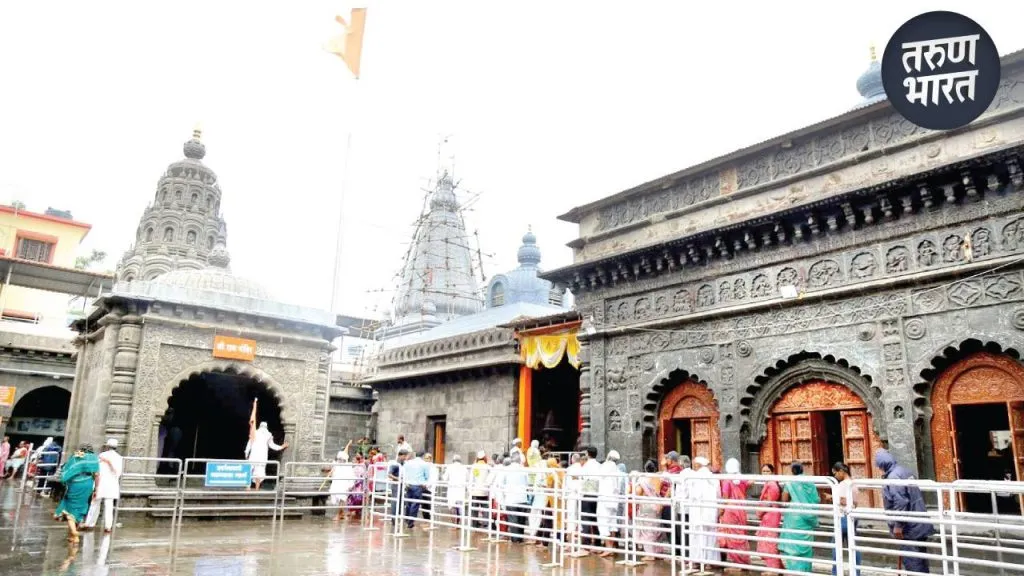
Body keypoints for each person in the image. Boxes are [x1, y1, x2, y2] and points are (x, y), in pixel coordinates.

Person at [875, 449, 934, 574]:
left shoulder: (893, 477)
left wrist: (898, 525)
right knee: (921, 559)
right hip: (919, 522)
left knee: (913, 561)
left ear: (882, 464)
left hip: (909, 528)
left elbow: (901, 502)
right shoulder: (904, 471)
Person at [779, 461, 820, 572]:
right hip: (808, 518)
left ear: (792, 470)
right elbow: (816, 499)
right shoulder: (810, 481)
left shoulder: (790, 482)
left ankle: (795, 572)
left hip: (794, 518)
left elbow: (784, 500)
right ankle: (806, 571)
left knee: (793, 548)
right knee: (806, 547)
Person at [54, 444, 100, 544]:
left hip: (75, 484)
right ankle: (72, 536)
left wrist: (64, 480)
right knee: (80, 508)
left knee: (70, 510)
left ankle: (74, 532)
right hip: (88, 484)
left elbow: (66, 470)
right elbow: (96, 475)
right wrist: (96, 489)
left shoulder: (76, 457)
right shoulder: (94, 459)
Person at [82, 438, 123, 533]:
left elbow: (96, 471)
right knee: (109, 505)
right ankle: (108, 526)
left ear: (107, 446)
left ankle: (89, 523)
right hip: (112, 484)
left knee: (95, 504)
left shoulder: (101, 456)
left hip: (101, 483)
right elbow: (118, 473)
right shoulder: (119, 458)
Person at [828, 462, 862, 575]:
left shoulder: (843, 484)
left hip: (843, 517)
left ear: (841, 471)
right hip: (853, 516)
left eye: (835, 473)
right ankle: (856, 572)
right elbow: (855, 502)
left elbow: (844, 501)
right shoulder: (853, 483)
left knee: (836, 546)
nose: (835, 476)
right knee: (853, 545)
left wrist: (832, 498)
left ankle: (836, 572)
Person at [718, 458, 751, 568]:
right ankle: (743, 561)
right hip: (741, 510)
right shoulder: (741, 479)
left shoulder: (727, 481)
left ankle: (737, 563)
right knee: (741, 535)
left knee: (732, 536)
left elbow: (725, 498)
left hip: (730, 511)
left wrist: (721, 511)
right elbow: (751, 482)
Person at [688, 456, 720, 566]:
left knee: (697, 536)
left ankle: (697, 561)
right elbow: (719, 495)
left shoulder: (694, 477)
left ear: (697, 465)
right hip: (711, 511)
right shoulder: (713, 478)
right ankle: (710, 562)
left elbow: (692, 494)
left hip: (698, 511)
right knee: (710, 536)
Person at [756, 463, 785, 572]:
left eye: (768, 471)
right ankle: (777, 568)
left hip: (770, 514)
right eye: (763, 471)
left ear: (772, 472)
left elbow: (769, 502)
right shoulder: (768, 483)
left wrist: (759, 512)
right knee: (767, 540)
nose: (765, 473)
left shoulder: (772, 484)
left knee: (769, 541)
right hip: (769, 514)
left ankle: (773, 569)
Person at [596, 450, 625, 556]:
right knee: (612, 524)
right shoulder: (617, 470)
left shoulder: (605, 467)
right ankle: (612, 547)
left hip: (604, 499)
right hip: (614, 501)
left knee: (604, 523)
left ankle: (608, 548)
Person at [244, 422, 288, 490]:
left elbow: (249, 444)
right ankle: (257, 488)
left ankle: (248, 488)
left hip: (254, 456)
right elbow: (272, 445)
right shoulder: (268, 435)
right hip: (262, 457)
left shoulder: (255, 433)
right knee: (259, 472)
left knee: (250, 471)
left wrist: (246, 453)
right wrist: (282, 447)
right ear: (266, 427)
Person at [635, 459, 664, 560]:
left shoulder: (642, 479)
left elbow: (638, 491)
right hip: (656, 504)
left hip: (646, 505)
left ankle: (650, 554)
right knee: (656, 528)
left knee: (647, 530)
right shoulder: (658, 478)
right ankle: (658, 552)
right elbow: (658, 491)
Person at [500, 452, 530, 542]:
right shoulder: (524, 469)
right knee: (521, 520)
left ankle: (515, 540)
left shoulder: (506, 470)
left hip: (511, 498)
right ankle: (520, 539)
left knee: (513, 520)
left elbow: (501, 484)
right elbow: (528, 483)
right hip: (522, 498)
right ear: (519, 460)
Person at [579, 446, 602, 549]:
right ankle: (597, 541)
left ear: (588, 454)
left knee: (586, 518)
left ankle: (586, 543)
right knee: (595, 518)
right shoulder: (599, 466)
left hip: (587, 494)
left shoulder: (586, 466)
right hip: (597, 495)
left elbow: (582, 480)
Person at [403, 451, 430, 529]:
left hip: (408, 485)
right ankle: (410, 523)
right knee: (415, 504)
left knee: (408, 503)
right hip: (418, 486)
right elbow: (427, 476)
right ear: (423, 455)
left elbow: (404, 473)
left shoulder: (408, 463)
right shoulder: (424, 464)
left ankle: (407, 519)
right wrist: (424, 483)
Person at [328, 451, 356, 521]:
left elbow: (351, 476)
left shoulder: (348, 467)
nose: (340, 461)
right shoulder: (336, 466)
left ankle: (339, 514)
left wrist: (350, 485)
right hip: (337, 484)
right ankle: (342, 513)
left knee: (342, 499)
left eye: (342, 459)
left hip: (344, 485)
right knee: (338, 498)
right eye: (339, 459)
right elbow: (333, 475)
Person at [443, 454, 468, 520]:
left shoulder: (449, 467)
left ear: (453, 460)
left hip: (452, 489)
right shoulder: (464, 467)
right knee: (460, 507)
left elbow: (444, 478)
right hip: (461, 489)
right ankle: (458, 523)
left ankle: (454, 524)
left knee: (452, 506)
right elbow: (467, 479)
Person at [470, 451, 490, 528]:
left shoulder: (474, 466)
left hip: (475, 490)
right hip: (484, 491)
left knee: (474, 508)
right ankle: (485, 523)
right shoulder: (487, 466)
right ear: (484, 457)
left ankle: (474, 524)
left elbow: (472, 478)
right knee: (485, 508)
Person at [347, 453, 367, 520]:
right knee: (357, 498)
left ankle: (354, 510)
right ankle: (356, 510)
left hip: (357, 484)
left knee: (355, 497)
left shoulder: (357, 467)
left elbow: (355, 477)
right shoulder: (362, 467)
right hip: (359, 484)